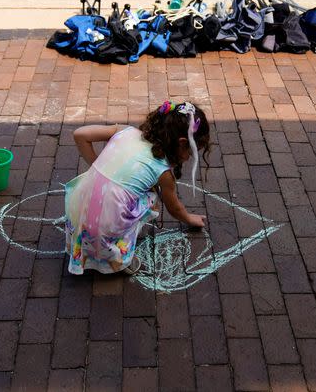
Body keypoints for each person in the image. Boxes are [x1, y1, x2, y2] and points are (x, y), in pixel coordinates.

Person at [65, 101, 211, 275]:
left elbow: (80, 134)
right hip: (103, 228)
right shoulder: (163, 172)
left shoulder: (126, 131)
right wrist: (190, 219)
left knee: (117, 196)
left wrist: (96, 167)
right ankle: (117, 259)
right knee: (152, 198)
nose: (190, 157)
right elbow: (174, 208)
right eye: (192, 152)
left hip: (76, 208)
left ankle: (96, 240)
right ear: (181, 143)